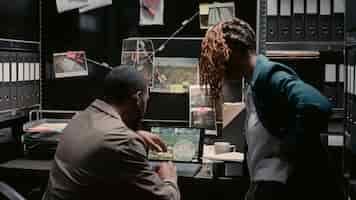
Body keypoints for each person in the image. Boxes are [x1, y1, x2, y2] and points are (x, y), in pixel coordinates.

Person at [199, 18, 344, 200]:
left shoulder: (268, 75)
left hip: (280, 185)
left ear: (233, 50)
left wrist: (290, 149)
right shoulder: (254, 83)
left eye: (219, 54)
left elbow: (317, 105)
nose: (218, 64)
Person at [43, 65, 180, 200]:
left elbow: (101, 140)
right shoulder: (124, 141)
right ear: (138, 98)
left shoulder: (79, 118)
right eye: (146, 99)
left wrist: (135, 134)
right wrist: (169, 179)